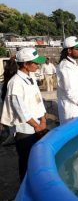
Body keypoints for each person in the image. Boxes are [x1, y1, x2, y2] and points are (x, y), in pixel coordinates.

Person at [0, 48, 48, 182]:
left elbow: (39, 100)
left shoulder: (30, 78)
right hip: (26, 131)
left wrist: (43, 119)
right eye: (35, 63)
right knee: (26, 163)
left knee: (37, 161)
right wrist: (36, 126)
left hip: (38, 126)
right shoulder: (15, 83)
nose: (38, 65)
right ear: (25, 64)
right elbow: (20, 110)